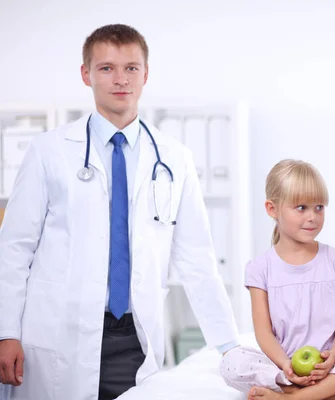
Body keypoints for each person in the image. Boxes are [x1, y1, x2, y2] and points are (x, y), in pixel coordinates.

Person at [0, 24, 239, 400]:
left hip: (133, 340)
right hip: (58, 336)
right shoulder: (49, 151)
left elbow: (197, 258)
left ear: (146, 74)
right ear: (86, 74)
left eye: (131, 67)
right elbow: (14, 249)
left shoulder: (175, 158)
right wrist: (6, 332)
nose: (120, 79)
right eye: (106, 68)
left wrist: (229, 347)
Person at [220, 159, 335, 400]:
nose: (313, 217)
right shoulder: (259, 268)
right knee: (231, 361)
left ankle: (294, 398)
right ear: (272, 209)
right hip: (287, 369)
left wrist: (333, 357)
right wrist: (285, 365)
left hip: (334, 366)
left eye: (319, 207)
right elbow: (263, 332)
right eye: (301, 207)